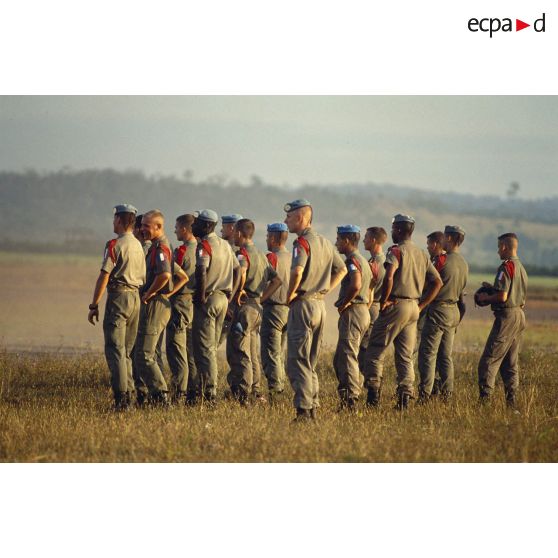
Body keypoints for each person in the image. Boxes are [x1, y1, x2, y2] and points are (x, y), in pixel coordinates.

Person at [362, 214, 443, 410]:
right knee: (405, 356)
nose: (391, 233)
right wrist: (421, 305)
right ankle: (404, 399)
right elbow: (437, 282)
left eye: (393, 229)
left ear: (398, 230)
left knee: (375, 350)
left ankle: (373, 397)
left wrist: (384, 301)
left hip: (396, 305)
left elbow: (389, 276)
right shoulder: (422, 254)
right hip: (413, 308)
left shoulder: (396, 251)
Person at [284, 199, 346, 421]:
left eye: (289, 217)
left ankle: (303, 411)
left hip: (303, 304)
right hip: (319, 305)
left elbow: (296, 272)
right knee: (310, 360)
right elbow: (342, 270)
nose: (286, 221)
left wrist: (290, 294)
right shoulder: (326, 243)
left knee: (297, 360)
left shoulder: (302, 243)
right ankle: (312, 408)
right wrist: (325, 290)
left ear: (300, 217)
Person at [88, 204, 145, 411]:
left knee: (115, 349)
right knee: (128, 351)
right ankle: (129, 393)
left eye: (114, 219)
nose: (113, 223)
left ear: (120, 221)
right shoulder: (139, 245)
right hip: (135, 298)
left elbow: (104, 274)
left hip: (119, 297)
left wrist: (94, 304)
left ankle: (122, 400)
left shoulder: (114, 244)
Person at [135, 209, 188, 406]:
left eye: (147, 226)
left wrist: (151, 293)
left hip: (155, 305)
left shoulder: (162, 248)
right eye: (141, 225)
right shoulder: (158, 247)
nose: (142, 229)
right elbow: (182, 276)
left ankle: (161, 396)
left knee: (145, 354)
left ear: (158, 227)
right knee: (146, 353)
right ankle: (154, 395)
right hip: (159, 303)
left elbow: (165, 276)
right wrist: (168, 294)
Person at [226, 219, 282, 404]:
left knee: (240, 352)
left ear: (240, 234)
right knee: (252, 352)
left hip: (244, 308)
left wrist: (233, 297)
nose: (233, 236)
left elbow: (241, 273)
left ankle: (243, 393)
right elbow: (276, 281)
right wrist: (262, 299)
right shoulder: (261, 255)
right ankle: (255, 390)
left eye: (234, 233)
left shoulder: (243, 254)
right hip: (257, 307)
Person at [192, 209, 241, 404]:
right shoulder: (225, 245)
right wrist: (231, 295)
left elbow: (201, 270)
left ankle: (208, 393)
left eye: (196, 222)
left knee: (204, 349)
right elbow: (238, 271)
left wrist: (201, 295)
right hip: (223, 299)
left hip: (209, 299)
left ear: (205, 225)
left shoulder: (205, 245)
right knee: (211, 347)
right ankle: (206, 388)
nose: (193, 225)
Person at [417, 226, 468, 402]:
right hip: (454, 311)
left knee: (427, 354)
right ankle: (447, 393)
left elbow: (429, 283)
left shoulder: (442, 260)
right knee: (446, 356)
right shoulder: (463, 263)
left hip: (438, 310)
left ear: (450, 239)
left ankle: (425, 394)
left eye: (445, 237)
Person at [476, 233, 527, 408]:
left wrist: (485, 297)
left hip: (507, 317)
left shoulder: (506, 267)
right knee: (510, 363)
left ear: (505, 246)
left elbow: (503, 296)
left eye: (499, 247)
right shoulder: (521, 267)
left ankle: (485, 403)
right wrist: (493, 288)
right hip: (519, 315)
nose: (498, 251)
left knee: (488, 360)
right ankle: (511, 404)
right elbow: (516, 294)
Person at [333, 225, 372, 410]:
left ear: (347, 241)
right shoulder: (364, 261)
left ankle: (350, 400)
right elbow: (371, 287)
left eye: (338, 240)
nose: (336, 243)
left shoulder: (352, 261)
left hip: (354, 311)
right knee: (342, 357)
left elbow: (356, 284)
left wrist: (345, 302)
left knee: (347, 356)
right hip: (363, 310)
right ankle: (349, 394)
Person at [165, 213, 199, 404]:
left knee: (177, 351)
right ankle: (194, 393)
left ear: (185, 229)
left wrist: (168, 294)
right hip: (194, 303)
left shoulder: (181, 252)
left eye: (177, 227)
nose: (175, 230)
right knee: (191, 352)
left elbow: (174, 276)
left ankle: (180, 393)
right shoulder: (202, 249)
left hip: (180, 302)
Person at [260, 222, 291, 400]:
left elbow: (266, 282)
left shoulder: (272, 258)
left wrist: (260, 299)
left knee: (270, 353)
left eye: (267, 236)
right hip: (289, 310)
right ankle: (280, 387)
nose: (266, 239)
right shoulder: (293, 257)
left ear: (273, 238)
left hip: (273, 309)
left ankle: (276, 392)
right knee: (279, 352)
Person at [415, 231, 446, 393]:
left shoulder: (439, 262)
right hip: (444, 312)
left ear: (435, 244)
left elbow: (433, 283)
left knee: (428, 352)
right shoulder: (442, 260)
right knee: (441, 354)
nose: (427, 247)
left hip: (433, 310)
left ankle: (428, 390)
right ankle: (438, 388)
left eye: (428, 244)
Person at [358, 226, 387, 373]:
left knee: (364, 348)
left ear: (374, 240)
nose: (363, 240)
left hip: (372, 306)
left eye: (366, 237)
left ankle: (368, 380)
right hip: (380, 307)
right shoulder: (387, 261)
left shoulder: (374, 264)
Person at [219, 213, 244, 345]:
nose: (221, 230)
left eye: (224, 226)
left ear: (232, 228)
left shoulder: (230, 250)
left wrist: (229, 300)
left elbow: (239, 274)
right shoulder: (241, 249)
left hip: (229, 302)